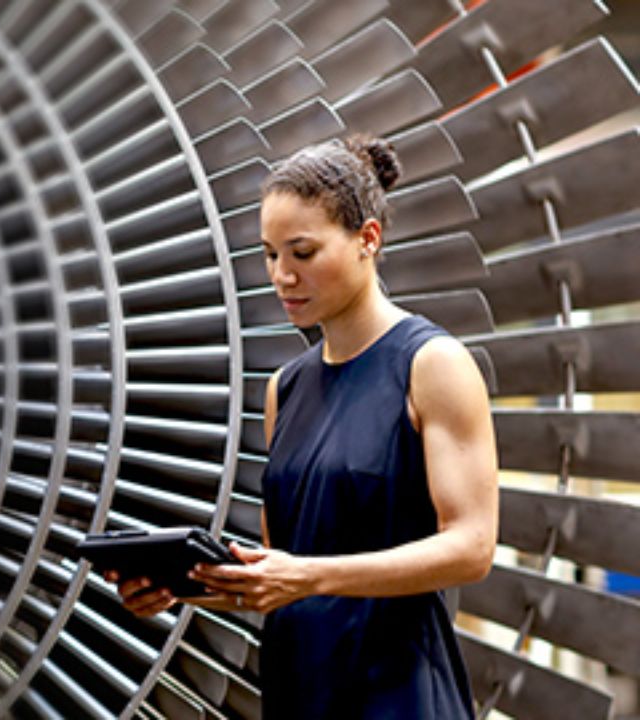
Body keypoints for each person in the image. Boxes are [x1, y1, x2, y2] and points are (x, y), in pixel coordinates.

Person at [105, 135, 498, 718]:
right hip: (300, 689)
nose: (282, 276)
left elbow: (472, 547)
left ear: (368, 239)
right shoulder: (284, 388)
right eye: (270, 255)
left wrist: (309, 575)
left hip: (398, 693)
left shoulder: (432, 364)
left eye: (303, 253)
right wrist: (182, 588)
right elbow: (282, 571)